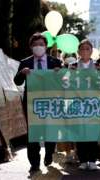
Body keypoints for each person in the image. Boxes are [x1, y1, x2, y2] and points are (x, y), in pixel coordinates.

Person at [14, 33, 62, 173]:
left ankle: (49, 154)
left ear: (46, 46)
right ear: (31, 47)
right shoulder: (25, 62)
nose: (38, 47)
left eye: (41, 44)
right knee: (33, 134)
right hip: (31, 104)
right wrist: (22, 73)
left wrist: (60, 74)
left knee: (50, 130)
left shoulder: (55, 62)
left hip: (51, 102)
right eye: (35, 45)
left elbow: (63, 82)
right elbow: (17, 82)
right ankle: (34, 163)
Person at [75, 39, 100, 171]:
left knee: (92, 132)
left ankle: (92, 160)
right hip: (78, 104)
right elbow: (65, 84)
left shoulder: (98, 67)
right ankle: (83, 160)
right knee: (80, 133)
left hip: (93, 105)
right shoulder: (72, 66)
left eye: (88, 48)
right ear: (78, 51)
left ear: (92, 51)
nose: (85, 51)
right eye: (82, 49)